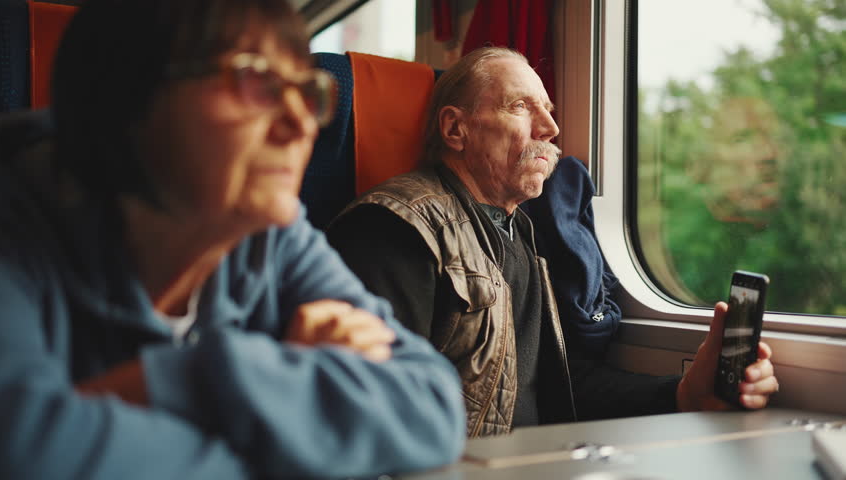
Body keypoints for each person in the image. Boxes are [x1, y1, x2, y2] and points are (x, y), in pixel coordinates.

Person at [0, 1, 466, 478]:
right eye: (257, 83)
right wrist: (292, 414)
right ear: (127, 96)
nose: (302, 125)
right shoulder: (13, 224)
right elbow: (22, 451)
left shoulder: (273, 237)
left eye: (308, 94)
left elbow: (433, 403)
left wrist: (204, 376)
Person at [327, 47, 779, 437]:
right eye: (521, 106)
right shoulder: (398, 229)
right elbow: (368, 416)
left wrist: (683, 395)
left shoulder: (518, 233)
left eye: (549, 110)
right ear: (455, 130)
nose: (549, 128)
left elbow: (562, 390)